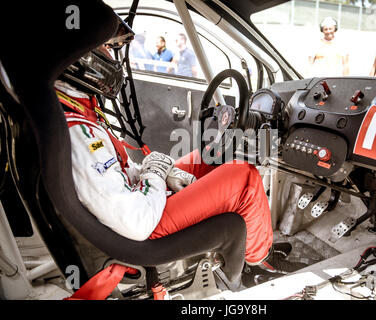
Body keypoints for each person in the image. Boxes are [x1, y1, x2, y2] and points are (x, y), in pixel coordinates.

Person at [55, 17, 302, 281]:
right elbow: (134, 221)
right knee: (245, 178)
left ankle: (253, 241)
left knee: (209, 157)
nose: (111, 57)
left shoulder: (77, 112)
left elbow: (116, 176)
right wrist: (155, 176)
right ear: (80, 58)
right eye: (104, 47)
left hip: (135, 203)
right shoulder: (77, 132)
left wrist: (156, 170)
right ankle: (260, 264)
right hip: (142, 227)